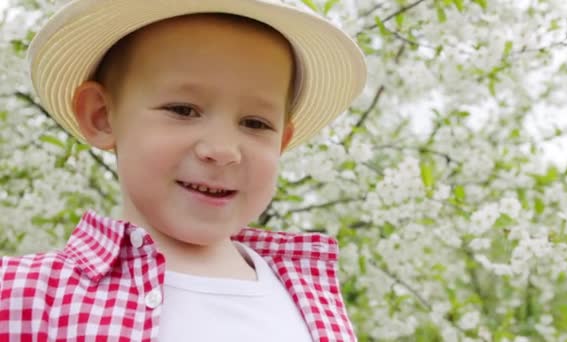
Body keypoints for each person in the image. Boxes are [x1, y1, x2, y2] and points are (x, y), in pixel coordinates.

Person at [0, 0, 366, 341]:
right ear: (102, 116)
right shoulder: (25, 294)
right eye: (183, 110)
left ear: (283, 141)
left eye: (255, 123)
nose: (222, 151)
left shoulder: (311, 300)